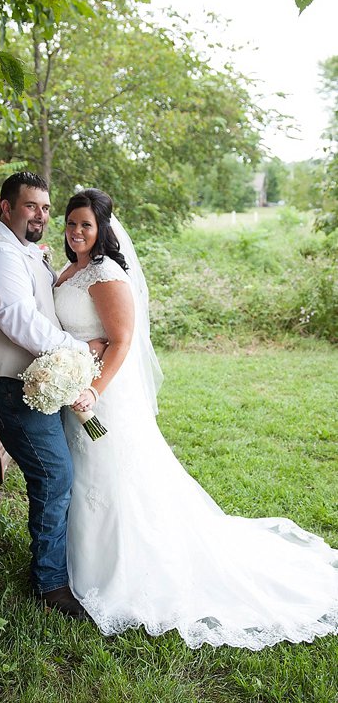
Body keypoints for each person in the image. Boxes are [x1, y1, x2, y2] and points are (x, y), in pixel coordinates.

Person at [54, 187, 338, 648]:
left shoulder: (105, 274)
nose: (77, 231)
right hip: (75, 383)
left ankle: (124, 569)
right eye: (71, 223)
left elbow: (122, 340)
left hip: (103, 392)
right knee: (83, 473)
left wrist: (92, 390)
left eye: (86, 224)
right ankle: (76, 561)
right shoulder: (70, 270)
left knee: (114, 475)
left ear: (103, 229)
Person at [0, 172, 106, 618]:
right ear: (4, 207)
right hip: (6, 383)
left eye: (46, 208)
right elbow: (20, 320)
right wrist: (79, 351)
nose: (41, 216)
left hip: (39, 379)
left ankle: (59, 567)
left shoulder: (25, 251)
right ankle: (50, 586)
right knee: (54, 475)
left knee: (62, 468)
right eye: (31, 207)